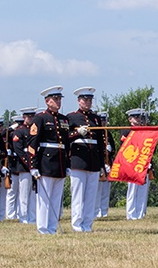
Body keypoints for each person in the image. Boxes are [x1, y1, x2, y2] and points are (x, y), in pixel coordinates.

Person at [29, 86, 70, 235]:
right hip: (45, 161)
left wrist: (67, 163)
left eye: (59, 99)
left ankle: (52, 227)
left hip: (59, 162)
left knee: (56, 198)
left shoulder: (63, 119)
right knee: (44, 199)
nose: (58, 102)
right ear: (47, 101)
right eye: (55, 99)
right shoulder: (40, 118)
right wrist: (33, 165)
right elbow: (32, 143)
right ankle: (43, 228)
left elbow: (66, 143)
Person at [66, 87, 105, 232]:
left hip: (93, 159)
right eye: (85, 100)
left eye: (90, 100)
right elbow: (65, 137)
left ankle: (87, 224)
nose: (88, 102)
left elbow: (100, 142)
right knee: (78, 194)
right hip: (78, 158)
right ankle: (77, 224)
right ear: (78, 101)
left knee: (90, 196)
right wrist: (77, 133)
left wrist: (101, 163)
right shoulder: (71, 117)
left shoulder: (96, 118)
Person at [122, 108, 152, 220]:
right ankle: (131, 214)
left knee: (142, 191)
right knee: (132, 190)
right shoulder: (127, 131)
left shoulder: (144, 131)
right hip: (132, 164)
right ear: (130, 119)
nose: (138, 120)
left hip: (143, 163)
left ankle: (139, 213)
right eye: (136, 117)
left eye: (139, 117)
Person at [11, 107, 37, 223]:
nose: (30, 118)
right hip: (24, 166)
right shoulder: (19, 131)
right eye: (28, 116)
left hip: (35, 165)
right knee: (24, 193)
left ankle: (32, 216)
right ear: (24, 117)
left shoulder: (35, 130)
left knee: (33, 192)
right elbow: (19, 150)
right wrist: (29, 164)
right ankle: (23, 217)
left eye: (32, 116)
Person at [96, 110, 114, 218]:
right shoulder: (97, 133)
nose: (103, 122)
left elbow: (114, 150)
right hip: (100, 163)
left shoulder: (108, 133)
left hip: (108, 164)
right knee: (97, 190)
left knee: (106, 190)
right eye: (101, 120)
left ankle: (104, 211)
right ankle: (97, 211)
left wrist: (110, 150)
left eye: (104, 120)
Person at [4, 116, 22, 221]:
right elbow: (1, 135)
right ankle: (10, 214)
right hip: (13, 165)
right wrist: (10, 129)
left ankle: (19, 213)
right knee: (12, 192)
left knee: (21, 192)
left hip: (21, 165)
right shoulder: (10, 134)